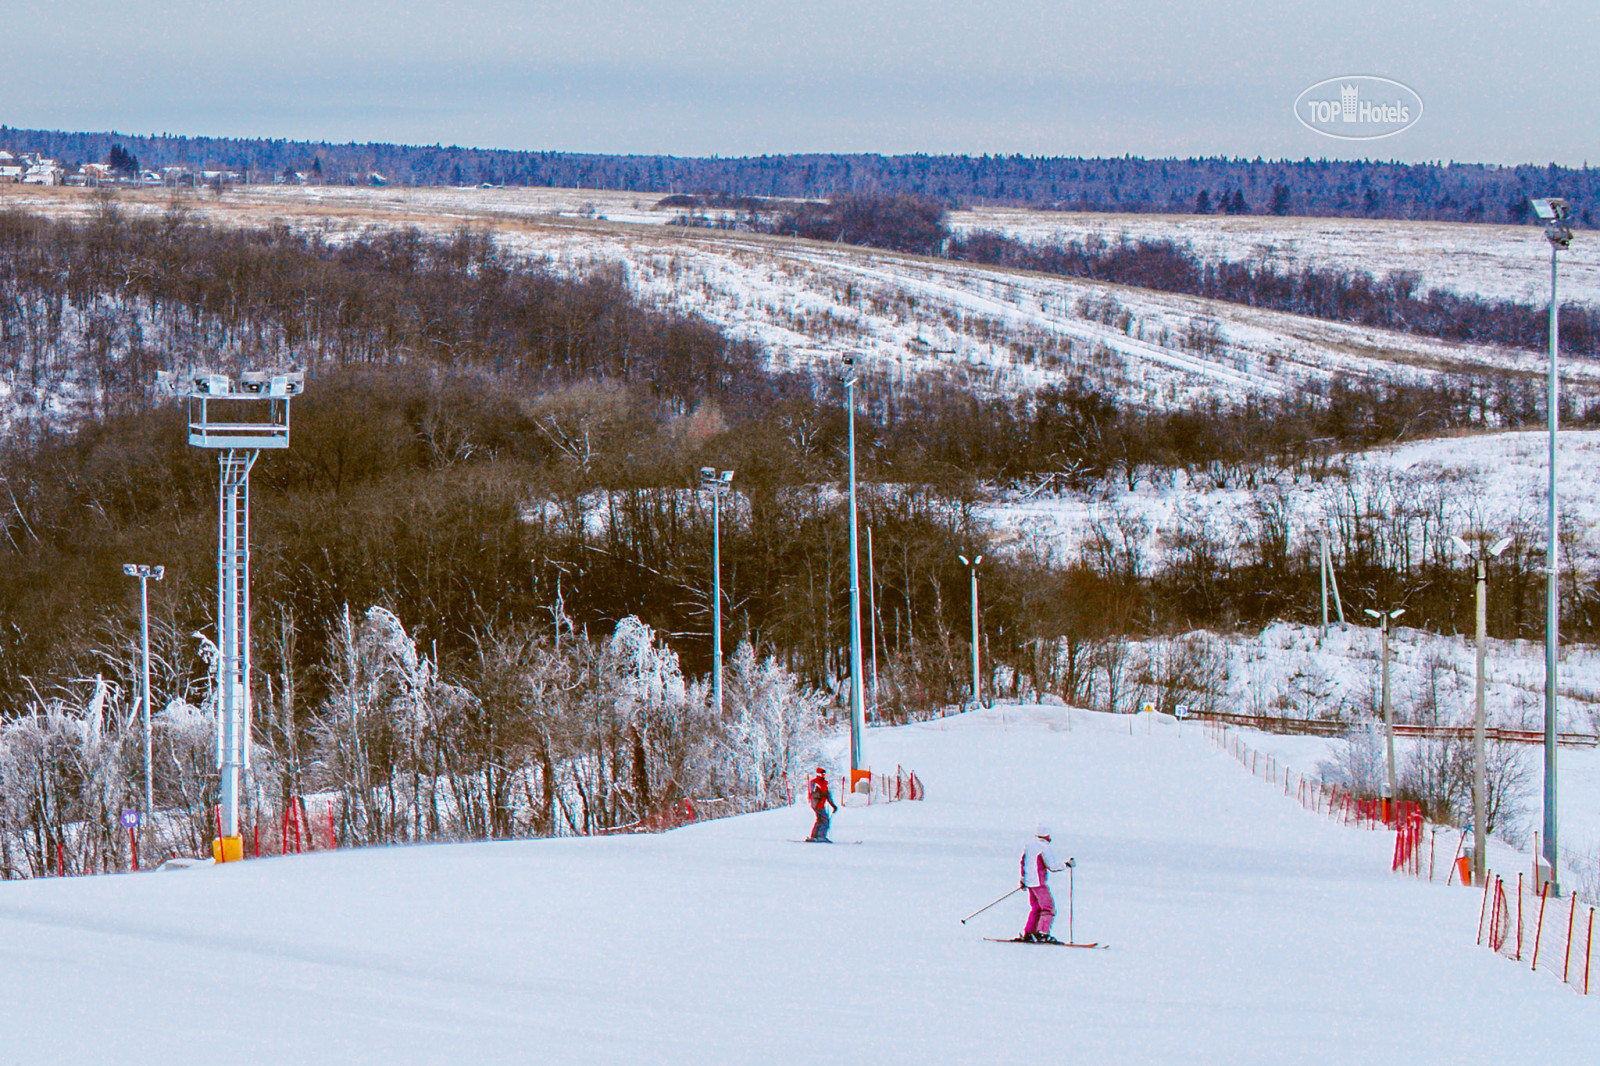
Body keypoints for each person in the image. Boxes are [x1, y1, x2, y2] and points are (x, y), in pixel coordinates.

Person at [1019, 820, 1073, 943]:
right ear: (1046, 835)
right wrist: (1066, 864)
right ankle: (1042, 934)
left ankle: (1029, 933)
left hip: (1030, 882)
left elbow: (1023, 862)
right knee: (1048, 909)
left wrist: (1023, 879)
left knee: (1036, 908)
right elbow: (1052, 866)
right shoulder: (1044, 847)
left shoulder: (1029, 845)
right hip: (1039, 883)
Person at [806, 766, 837, 842]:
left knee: (820, 820)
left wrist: (833, 806)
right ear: (819, 774)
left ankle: (815, 836)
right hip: (817, 804)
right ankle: (821, 836)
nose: (824, 776)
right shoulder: (814, 782)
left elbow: (828, 796)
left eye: (825, 775)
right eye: (823, 775)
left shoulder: (824, 784)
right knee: (825, 820)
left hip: (821, 805)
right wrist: (821, 795)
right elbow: (812, 794)